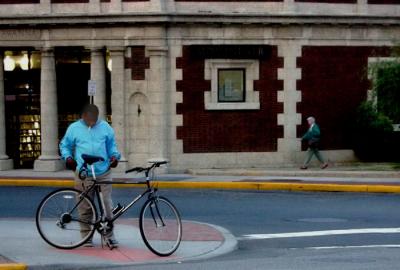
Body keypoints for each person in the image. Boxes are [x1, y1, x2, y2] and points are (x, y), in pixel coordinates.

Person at [59, 104, 121, 248]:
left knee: (107, 206)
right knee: (85, 206)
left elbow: (112, 146)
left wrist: (114, 156)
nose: (92, 122)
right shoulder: (74, 128)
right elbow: (64, 145)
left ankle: (109, 236)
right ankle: (86, 237)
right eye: (89, 119)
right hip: (84, 172)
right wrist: (68, 158)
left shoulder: (105, 127)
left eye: (95, 119)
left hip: (103, 171)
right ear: (84, 115)